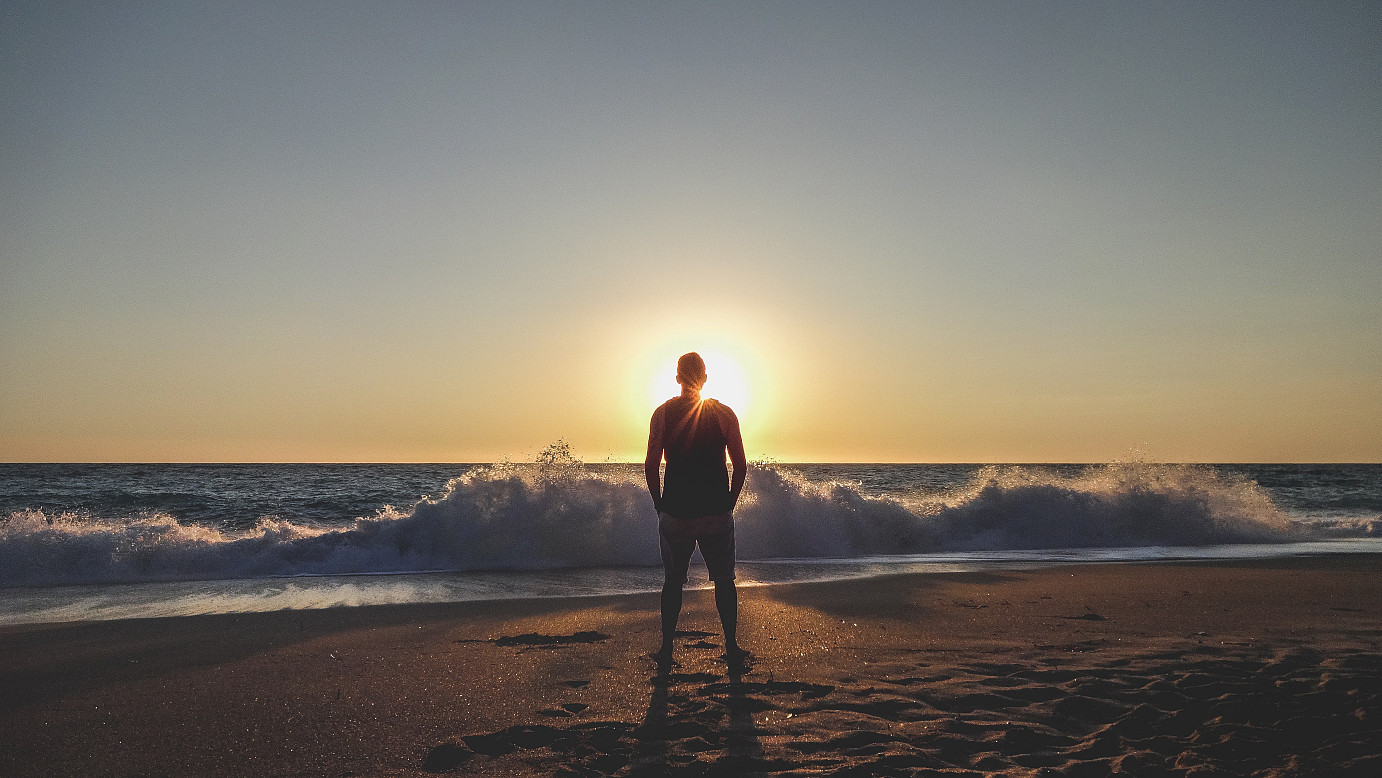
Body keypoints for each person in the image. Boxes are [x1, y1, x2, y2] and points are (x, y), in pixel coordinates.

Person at [645, 352, 748, 670]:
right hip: (716, 513)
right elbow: (740, 466)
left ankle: (666, 651)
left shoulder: (661, 414)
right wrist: (728, 504)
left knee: (673, 583)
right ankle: (731, 647)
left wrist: (659, 505)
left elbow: (651, 465)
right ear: (704, 377)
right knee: (724, 581)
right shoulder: (724, 414)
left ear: (677, 378)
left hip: (676, 513)